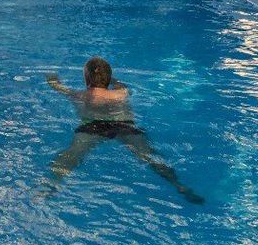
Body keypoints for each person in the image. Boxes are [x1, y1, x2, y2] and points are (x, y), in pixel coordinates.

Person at [45, 57, 203, 204]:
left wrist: (52, 80)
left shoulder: (80, 95)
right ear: (108, 78)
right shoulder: (122, 92)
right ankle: (178, 185)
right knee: (149, 155)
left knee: (72, 154)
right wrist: (110, 79)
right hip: (124, 125)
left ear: (87, 79)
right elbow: (119, 83)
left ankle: (52, 184)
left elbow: (59, 88)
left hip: (92, 126)